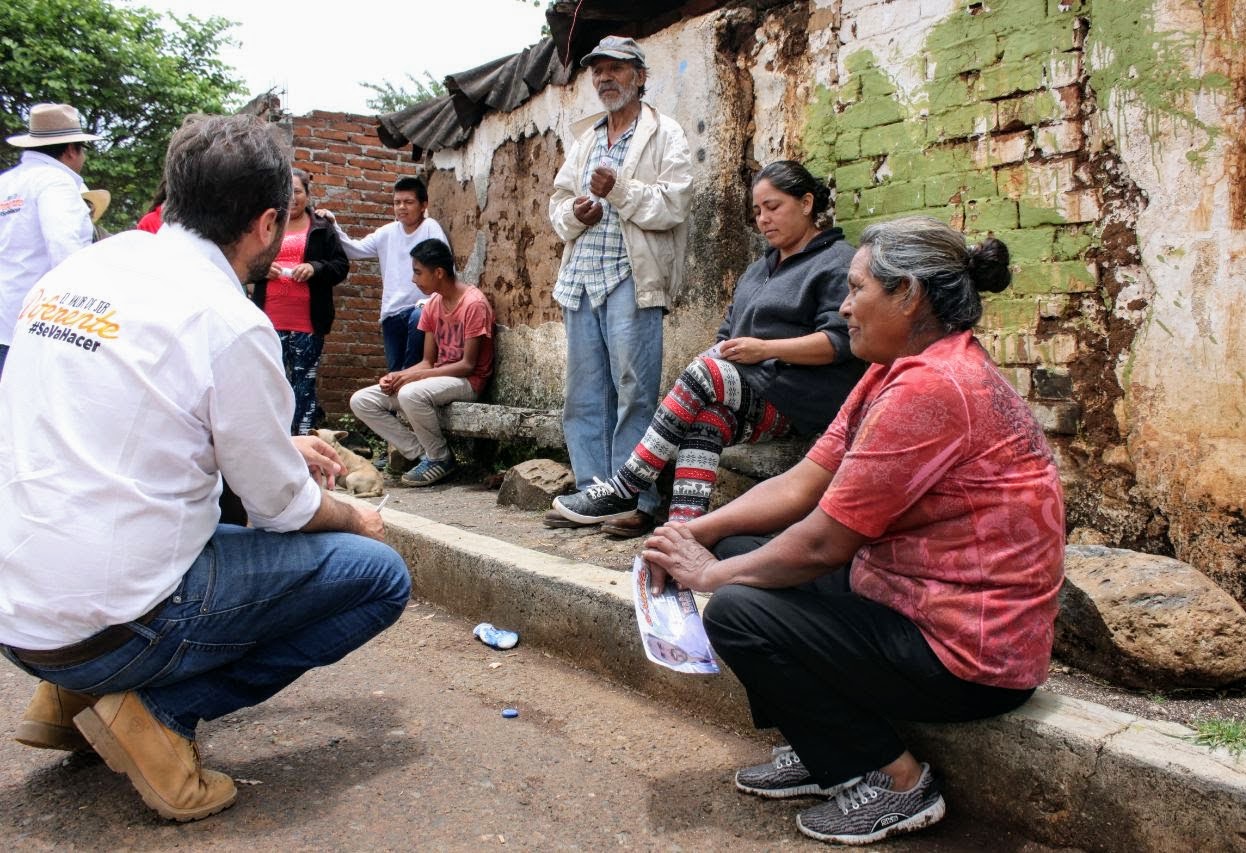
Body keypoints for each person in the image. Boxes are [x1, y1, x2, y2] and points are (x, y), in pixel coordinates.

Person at [0, 114, 411, 822]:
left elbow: (144, 422)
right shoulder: (228, 318)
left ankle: (64, 700)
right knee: (378, 575)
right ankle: (158, 712)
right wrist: (358, 515)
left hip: (22, 616)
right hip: (110, 625)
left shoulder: (84, 268)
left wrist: (278, 445)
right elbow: (282, 507)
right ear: (264, 224)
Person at [641, 216, 1065, 846]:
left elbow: (822, 542)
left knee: (736, 609)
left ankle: (897, 783)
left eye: (857, 288)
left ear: (910, 295)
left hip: (969, 657)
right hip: (909, 599)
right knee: (738, 549)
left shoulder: (932, 387)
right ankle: (823, 751)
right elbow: (801, 484)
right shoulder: (896, 366)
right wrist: (698, 533)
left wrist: (710, 576)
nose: (844, 306)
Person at [552, 161, 866, 535]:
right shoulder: (757, 271)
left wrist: (764, 349)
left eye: (773, 206)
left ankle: (627, 484)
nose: (763, 219)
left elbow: (839, 342)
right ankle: (686, 531)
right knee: (707, 419)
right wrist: (729, 352)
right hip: (751, 391)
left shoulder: (836, 261)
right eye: (757, 211)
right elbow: (726, 333)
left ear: (807, 203)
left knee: (705, 371)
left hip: (801, 397)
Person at [546, 35, 693, 536]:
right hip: (582, 278)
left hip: (633, 276)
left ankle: (635, 499)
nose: (605, 77)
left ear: (640, 76)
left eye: (616, 68)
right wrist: (575, 213)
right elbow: (558, 203)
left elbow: (674, 204)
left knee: (635, 391)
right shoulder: (586, 138)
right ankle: (593, 491)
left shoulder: (663, 133)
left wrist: (621, 191)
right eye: (598, 70)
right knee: (584, 395)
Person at [349, 238, 494, 487]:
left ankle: (440, 458)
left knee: (410, 393)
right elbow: (428, 362)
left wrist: (412, 378)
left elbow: (468, 365)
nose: (414, 279)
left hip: (468, 382)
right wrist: (398, 376)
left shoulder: (474, 304)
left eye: (418, 272)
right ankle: (422, 454)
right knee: (362, 401)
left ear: (438, 272)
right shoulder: (434, 304)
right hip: (437, 380)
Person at [0, 103, 100, 380]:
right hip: (37, 326)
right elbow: (66, 253)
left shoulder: (7, 183)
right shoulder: (56, 182)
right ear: (71, 150)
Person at [250, 168, 350, 435]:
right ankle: (273, 442)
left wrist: (315, 268)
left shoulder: (321, 226)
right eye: (286, 192)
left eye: (297, 191)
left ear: (307, 193)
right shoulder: (267, 225)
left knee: (303, 385)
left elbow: (341, 266)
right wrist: (262, 269)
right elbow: (245, 263)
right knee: (271, 384)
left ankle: (304, 444)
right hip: (268, 321)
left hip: (308, 321)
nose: (292, 198)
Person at [323, 176, 449, 374]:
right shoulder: (387, 232)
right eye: (397, 202)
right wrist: (333, 225)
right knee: (394, 373)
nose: (401, 207)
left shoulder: (430, 228)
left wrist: (433, 303)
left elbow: (444, 268)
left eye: (408, 202)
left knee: (411, 372)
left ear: (423, 204)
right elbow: (354, 250)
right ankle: (394, 406)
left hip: (421, 313)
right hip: (391, 313)